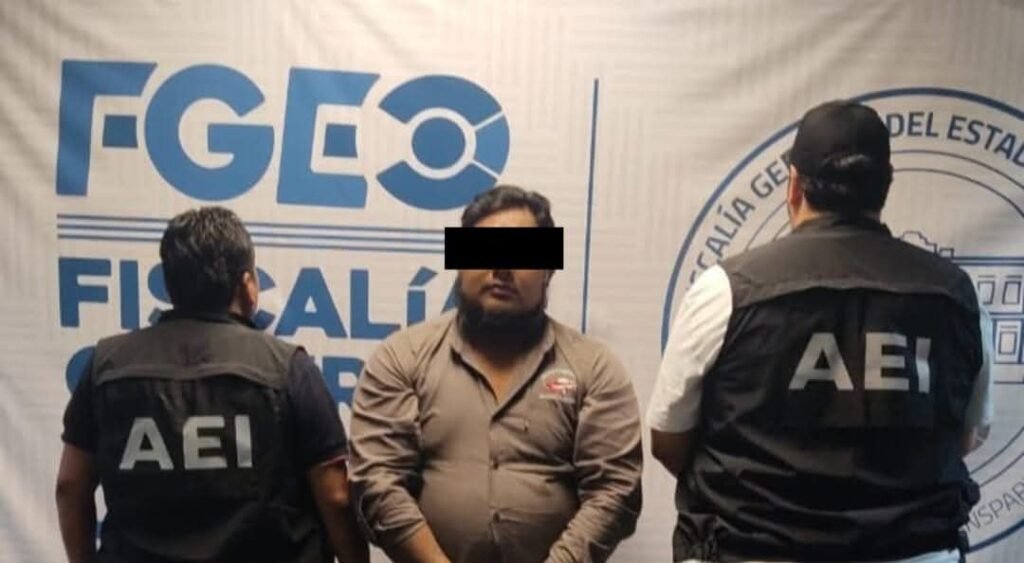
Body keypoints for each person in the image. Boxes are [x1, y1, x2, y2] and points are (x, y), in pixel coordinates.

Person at [646, 100, 993, 563]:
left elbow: (669, 439)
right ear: (884, 188)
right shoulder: (957, 297)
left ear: (793, 185)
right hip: (913, 551)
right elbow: (968, 435)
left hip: (749, 550)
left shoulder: (727, 289)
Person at [55, 206, 369, 563]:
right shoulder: (288, 368)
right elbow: (335, 496)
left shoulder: (107, 365)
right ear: (247, 285)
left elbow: (70, 486)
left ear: (171, 285)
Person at [349, 185, 643, 563]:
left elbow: (615, 491)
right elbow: (377, 482)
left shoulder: (594, 368)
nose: (502, 269)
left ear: (549, 271)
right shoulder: (401, 358)